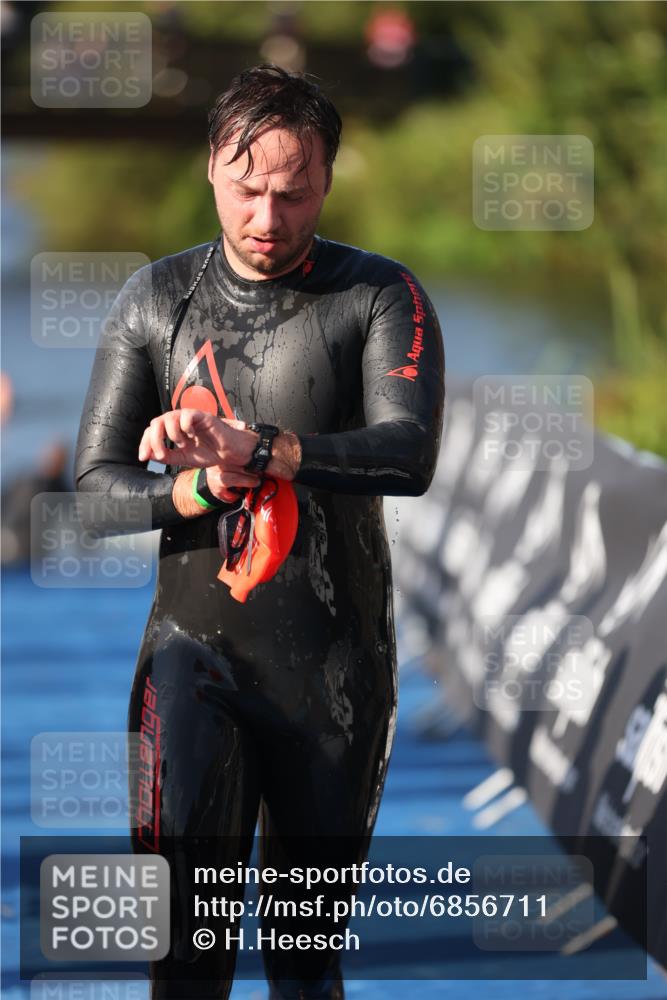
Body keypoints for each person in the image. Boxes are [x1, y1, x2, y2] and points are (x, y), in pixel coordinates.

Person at [75, 64, 445, 1000]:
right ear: (210, 170)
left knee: (303, 968)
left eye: (293, 192)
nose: (267, 220)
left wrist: (267, 448)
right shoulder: (155, 302)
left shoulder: (378, 296)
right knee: (184, 969)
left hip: (336, 672)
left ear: (327, 178)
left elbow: (407, 455)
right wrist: (196, 488)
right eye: (247, 190)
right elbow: (92, 494)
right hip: (189, 664)